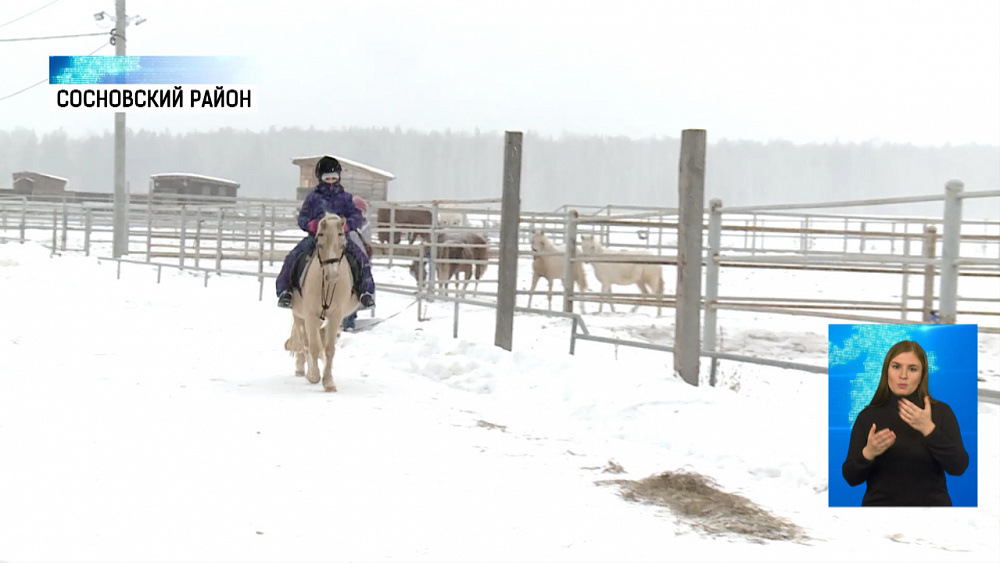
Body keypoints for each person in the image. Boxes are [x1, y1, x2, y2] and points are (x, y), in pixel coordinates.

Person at [842, 340, 968, 506]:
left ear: (922, 375)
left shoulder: (941, 413)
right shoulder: (867, 416)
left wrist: (929, 429)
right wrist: (869, 453)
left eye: (912, 369)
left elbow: (958, 467)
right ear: (886, 370)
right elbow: (851, 478)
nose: (903, 375)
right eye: (896, 367)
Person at [276, 156, 375, 309]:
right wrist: (311, 225)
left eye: (333, 177)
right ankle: (285, 291)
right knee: (293, 256)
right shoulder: (313, 198)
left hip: (341, 239)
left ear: (339, 178)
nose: (330, 181)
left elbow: (356, 216)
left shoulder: (346, 198)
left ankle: (365, 292)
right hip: (317, 239)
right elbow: (302, 217)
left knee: (361, 259)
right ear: (321, 178)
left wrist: (347, 225)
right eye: (327, 178)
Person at [341, 195, 372, 332]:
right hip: (344, 255)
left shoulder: (364, 226)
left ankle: (366, 294)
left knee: (357, 283)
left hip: (357, 257)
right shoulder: (345, 224)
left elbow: (365, 244)